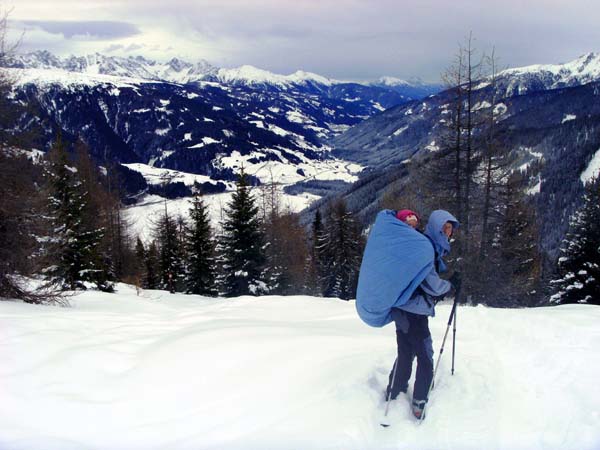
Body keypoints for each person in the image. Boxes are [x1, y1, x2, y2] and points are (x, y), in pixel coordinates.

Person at [385, 209, 460, 420]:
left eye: (450, 230)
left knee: (406, 351)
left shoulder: (421, 244)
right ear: (436, 227)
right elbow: (431, 283)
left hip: (402, 308)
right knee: (425, 356)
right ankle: (419, 400)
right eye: (444, 228)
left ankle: (394, 390)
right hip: (414, 311)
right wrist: (451, 285)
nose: (447, 233)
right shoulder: (425, 247)